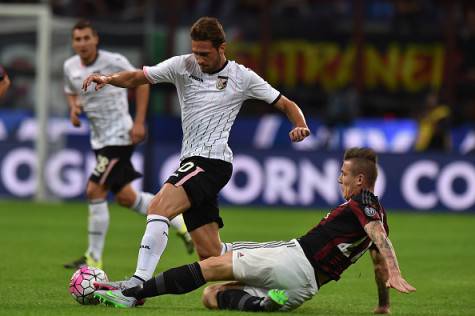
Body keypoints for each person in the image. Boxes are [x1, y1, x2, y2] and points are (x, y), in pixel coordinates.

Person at [82, 16, 310, 288]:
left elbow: (285, 103)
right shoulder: (182, 65)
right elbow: (138, 76)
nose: (199, 59)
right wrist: (108, 79)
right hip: (192, 159)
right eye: (196, 52)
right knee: (211, 254)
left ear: (221, 47)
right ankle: (275, 263)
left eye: (205, 53)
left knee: (158, 207)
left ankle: (137, 285)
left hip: (212, 161)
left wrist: (300, 125)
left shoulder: (242, 76)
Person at [94, 147, 416, 313]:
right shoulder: (371, 213)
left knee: (211, 266)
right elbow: (376, 262)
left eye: (344, 174)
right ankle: (262, 305)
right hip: (302, 291)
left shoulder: (365, 204)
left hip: (294, 261)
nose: (339, 179)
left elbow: (377, 235)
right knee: (211, 297)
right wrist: (383, 304)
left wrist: (396, 269)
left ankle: (133, 294)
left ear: (360, 180)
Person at [63, 20, 193, 270]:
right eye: (77, 39)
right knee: (125, 197)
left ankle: (93, 258)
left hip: (120, 135)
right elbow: (71, 90)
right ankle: (178, 223)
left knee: (94, 190)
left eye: (86, 38)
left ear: (95, 39)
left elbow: (141, 82)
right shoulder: (70, 66)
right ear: (73, 42)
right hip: (99, 139)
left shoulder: (115, 61)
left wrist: (139, 121)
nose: (82, 43)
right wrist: (73, 108)